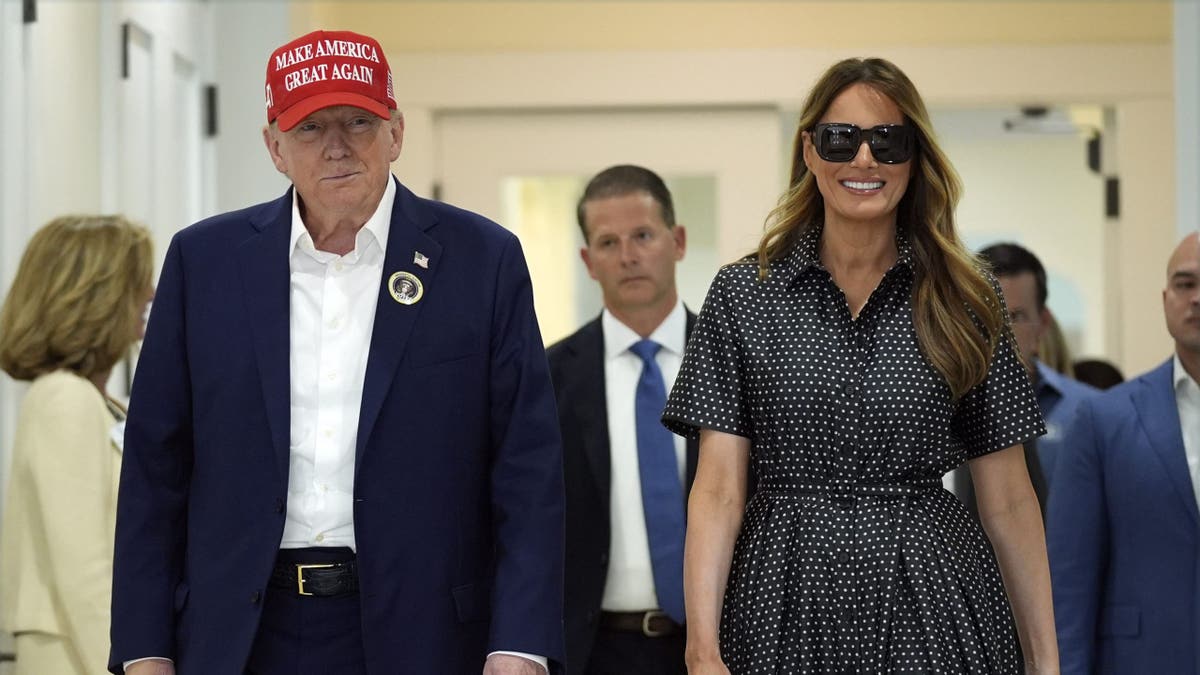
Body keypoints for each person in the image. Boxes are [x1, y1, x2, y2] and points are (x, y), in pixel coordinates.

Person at [108, 30, 564, 675]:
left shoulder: (481, 260)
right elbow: (156, 469)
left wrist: (520, 643)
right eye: (310, 127)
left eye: (359, 121)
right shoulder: (203, 262)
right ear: (274, 147)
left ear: (397, 133)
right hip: (239, 633)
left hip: (427, 633)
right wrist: (142, 647)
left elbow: (528, 467)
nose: (337, 146)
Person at [661, 57, 1058, 674]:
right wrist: (701, 650)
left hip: (935, 601)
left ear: (914, 156)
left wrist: (1045, 663)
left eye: (888, 141)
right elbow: (716, 491)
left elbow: (1008, 500)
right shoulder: (744, 294)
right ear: (810, 150)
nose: (864, 160)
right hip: (779, 601)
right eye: (841, 139)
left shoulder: (967, 295)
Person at [547, 165, 692, 675]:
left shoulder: (731, 361)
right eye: (608, 243)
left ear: (677, 241)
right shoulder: (549, 378)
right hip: (594, 650)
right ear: (588, 261)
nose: (628, 256)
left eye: (643, 236)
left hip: (717, 648)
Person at [0, 215, 154, 675]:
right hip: (75, 655)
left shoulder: (96, 399)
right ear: (97, 295)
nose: (149, 294)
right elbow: (82, 572)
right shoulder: (64, 399)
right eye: (138, 281)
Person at [1047, 231, 1200, 674]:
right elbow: (1070, 579)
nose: (1195, 298)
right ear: (1165, 298)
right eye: (1185, 284)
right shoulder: (1103, 420)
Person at [954, 243, 1098, 514]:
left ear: (1043, 325)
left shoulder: (1090, 412)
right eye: (985, 315)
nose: (999, 332)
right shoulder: (928, 415)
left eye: (1015, 317)